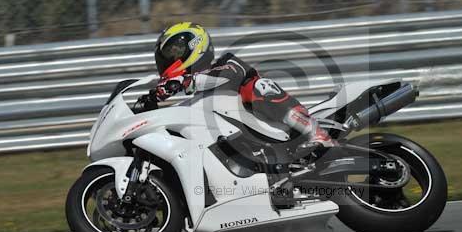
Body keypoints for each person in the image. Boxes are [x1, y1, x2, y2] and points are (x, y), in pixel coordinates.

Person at [141, 22, 335, 150]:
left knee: (259, 86)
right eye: (167, 55)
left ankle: (315, 132)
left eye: (175, 52)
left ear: (195, 47)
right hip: (242, 144)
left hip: (273, 127)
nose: (170, 59)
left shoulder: (228, 65)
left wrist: (185, 82)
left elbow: (226, 76)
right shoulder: (193, 95)